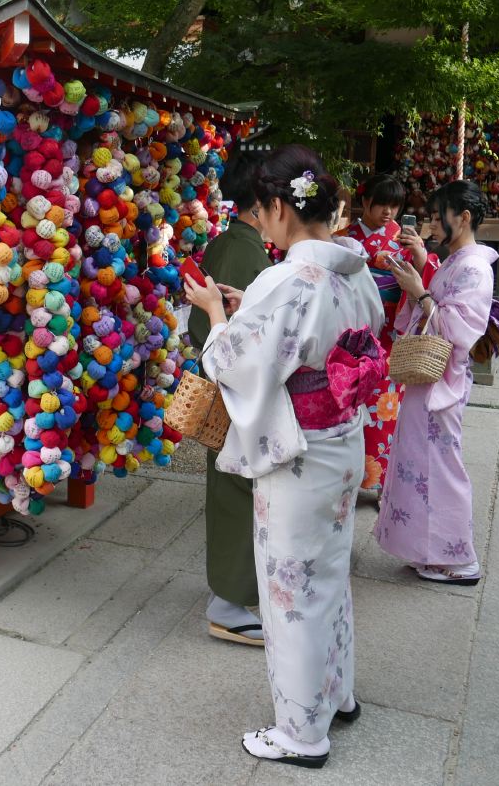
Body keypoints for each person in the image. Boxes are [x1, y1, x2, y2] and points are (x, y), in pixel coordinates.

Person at [185, 145, 385, 768]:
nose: (262, 223)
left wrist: (218, 313)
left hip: (300, 451)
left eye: (263, 211)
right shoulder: (353, 271)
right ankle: (338, 695)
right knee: (329, 577)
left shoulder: (287, 278)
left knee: (292, 588)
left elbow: (233, 361)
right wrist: (252, 309)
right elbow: (316, 337)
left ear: (278, 206)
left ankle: (301, 733)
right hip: (343, 440)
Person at [375, 180, 496, 586]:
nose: (431, 222)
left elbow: (462, 330)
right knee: (417, 464)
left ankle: (459, 558)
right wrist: (420, 279)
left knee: (442, 469)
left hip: (444, 381)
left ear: (463, 217)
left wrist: (421, 293)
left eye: (436, 215)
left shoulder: (475, 267)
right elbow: (429, 306)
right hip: (427, 379)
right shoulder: (454, 261)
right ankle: (426, 549)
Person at [186, 144, 272, 646]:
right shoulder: (245, 249)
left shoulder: (231, 242)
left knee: (232, 485)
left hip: (224, 373)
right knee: (238, 487)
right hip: (234, 380)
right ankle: (229, 599)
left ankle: (232, 592)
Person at [346, 173, 414, 495]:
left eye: (394, 205)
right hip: (353, 334)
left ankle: (380, 483)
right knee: (349, 404)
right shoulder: (344, 238)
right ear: (365, 201)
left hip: (388, 335)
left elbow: (418, 280)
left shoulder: (403, 239)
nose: (389, 212)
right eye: (382, 204)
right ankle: (346, 477)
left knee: (386, 408)